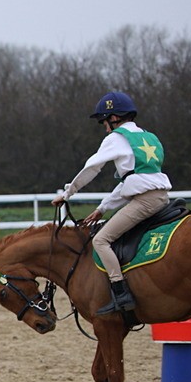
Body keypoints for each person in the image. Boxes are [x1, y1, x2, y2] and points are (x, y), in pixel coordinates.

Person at [51, 91, 172, 315]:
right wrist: (102, 209)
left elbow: (92, 168)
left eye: (104, 122)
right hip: (162, 198)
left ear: (114, 117)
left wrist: (68, 193)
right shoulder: (149, 137)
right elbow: (133, 182)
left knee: (101, 240)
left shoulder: (116, 138)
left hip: (145, 202)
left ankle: (120, 292)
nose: (105, 128)